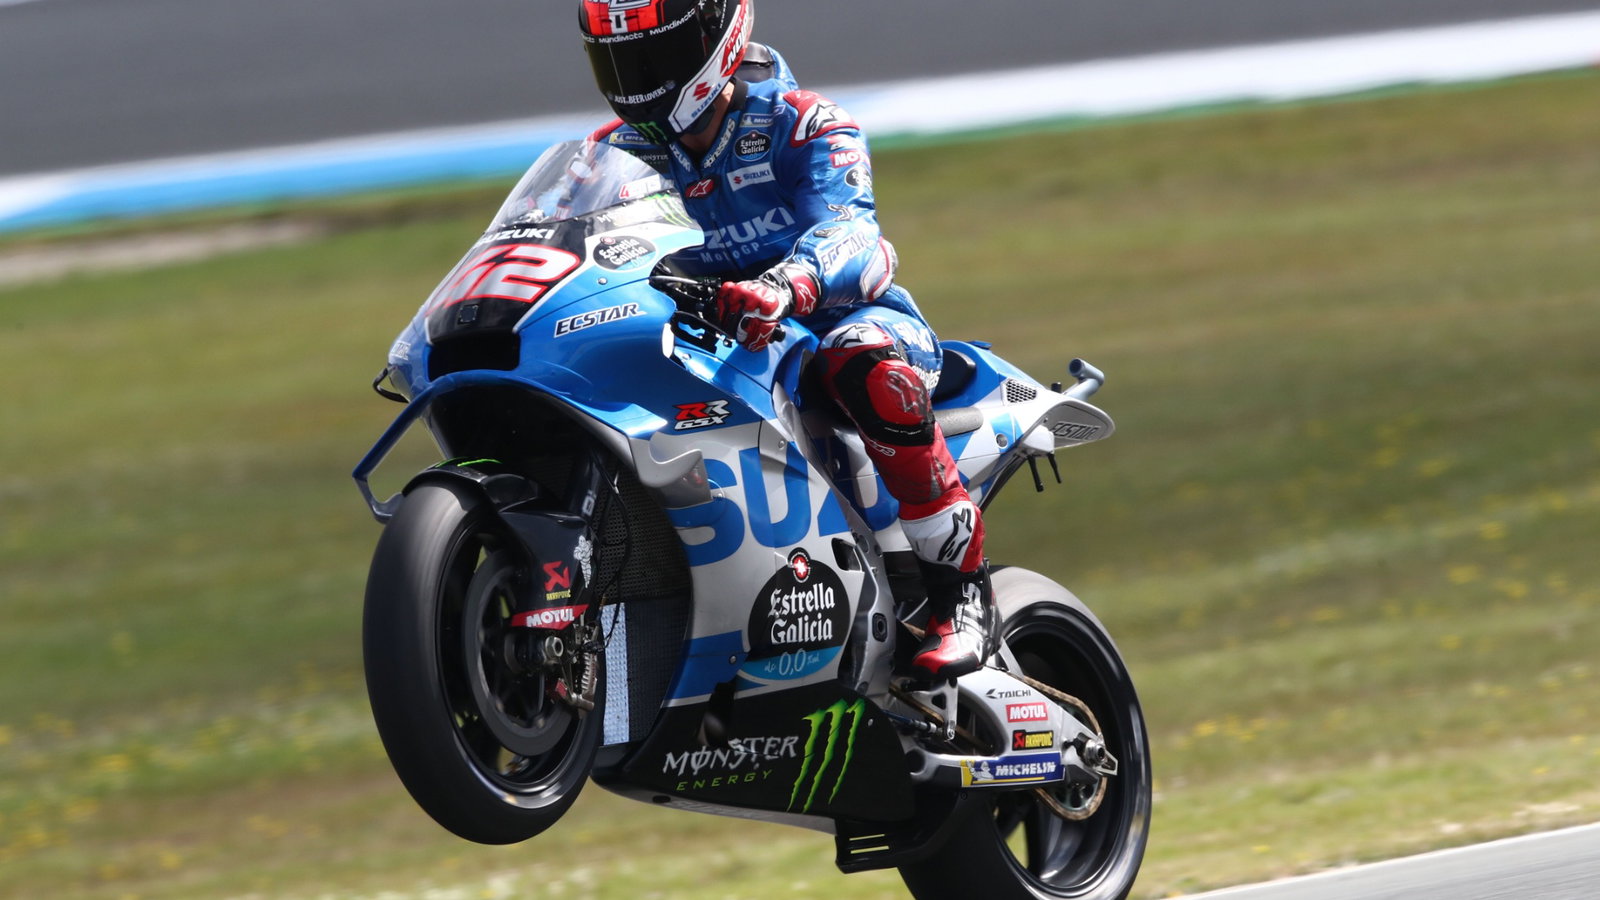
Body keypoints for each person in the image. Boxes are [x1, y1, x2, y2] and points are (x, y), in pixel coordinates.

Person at [579, 0, 992, 680]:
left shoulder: (803, 123)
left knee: (860, 360)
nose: (636, 81)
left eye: (651, 60)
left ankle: (962, 595)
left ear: (713, 39)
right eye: (617, 62)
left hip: (842, 323)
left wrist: (788, 285)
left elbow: (860, 240)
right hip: (715, 345)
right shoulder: (610, 155)